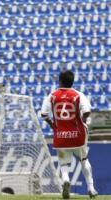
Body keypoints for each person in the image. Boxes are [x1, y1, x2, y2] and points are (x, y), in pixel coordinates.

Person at [41, 70, 98, 199]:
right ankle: (91, 188)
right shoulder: (78, 95)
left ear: (59, 81)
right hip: (77, 135)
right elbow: (87, 111)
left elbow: (44, 114)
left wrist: (52, 124)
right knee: (84, 160)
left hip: (61, 136)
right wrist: (81, 121)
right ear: (72, 82)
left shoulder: (52, 96)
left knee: (63, 163)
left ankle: (66, 180)